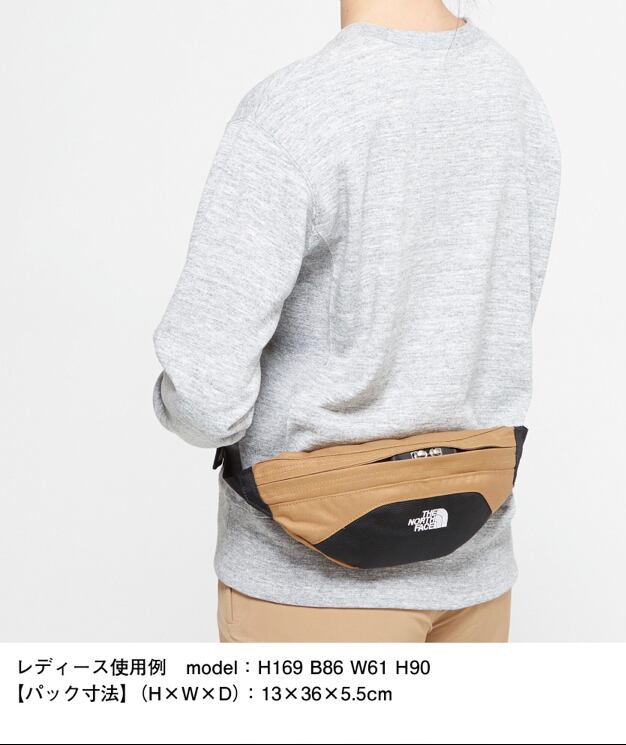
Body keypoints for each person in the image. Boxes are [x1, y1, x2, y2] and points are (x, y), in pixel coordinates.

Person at [152, 0, 561, 642]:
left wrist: (172, 401)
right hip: (474, 567)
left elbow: (206, 400)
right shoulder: (514, 95)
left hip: (313, 589)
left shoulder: (295, 109)